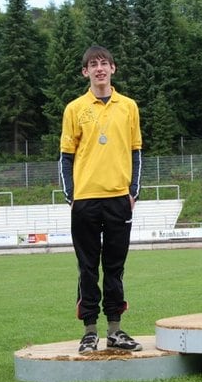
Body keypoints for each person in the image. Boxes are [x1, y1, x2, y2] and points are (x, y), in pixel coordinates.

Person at [59, 45, 143, 353]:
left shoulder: (129, 107)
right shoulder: (74, 109)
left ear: (113, 69)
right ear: (85, 72)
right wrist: (72, 195)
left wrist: (133, 192)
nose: (99, 69)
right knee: (88, 267)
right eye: (93, 65)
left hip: (119, 198)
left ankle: (115, 331)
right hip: (85, 200)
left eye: (104, 63)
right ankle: (90, 331)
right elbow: (65, 156)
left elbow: (136, 152)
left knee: (115, 267)